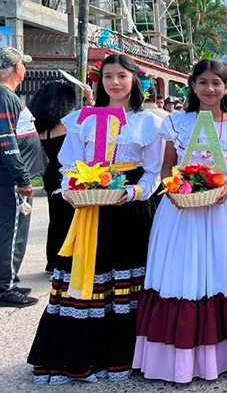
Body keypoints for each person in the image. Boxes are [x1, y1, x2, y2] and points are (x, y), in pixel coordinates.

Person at [28, 54, 163, 383]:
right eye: (107, 77)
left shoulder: (148, 122)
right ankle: (78, 356)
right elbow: (68, 165)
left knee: (124, 283)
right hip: (89, 208)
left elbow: (155, 171)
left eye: (121, 76)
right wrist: (71, 189)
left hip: (129, 210)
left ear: (135, 80)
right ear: (98, 81)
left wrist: (133, 193)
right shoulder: (80, 119)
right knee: (84, 281)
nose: (114, 83)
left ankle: (124, 356)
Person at [133, 59, 227, 383]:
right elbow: (167, 167)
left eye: (216, 83)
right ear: (192, 85)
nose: (210, 89)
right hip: (181, 209)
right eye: (203, 82)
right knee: (182, 275)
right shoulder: (177, 121)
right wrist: (174, 190)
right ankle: (179, 359)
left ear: (226, 87)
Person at [0, 46, 39, 308]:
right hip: (11, 180)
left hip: (11, 177)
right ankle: (5, 287)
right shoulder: (4, 96)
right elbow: (7, 142)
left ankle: (9, 278)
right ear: (17, 68)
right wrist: (23, 178)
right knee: (12, 232)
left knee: (11, 231)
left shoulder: (8, 95)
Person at [28, 80, 79, 273]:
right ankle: (64, 262)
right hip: (66, 175)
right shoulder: (66, 125)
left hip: (50, 174)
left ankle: (52, 262)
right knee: (68, 220)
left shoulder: (43, 126)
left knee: (55, 220)